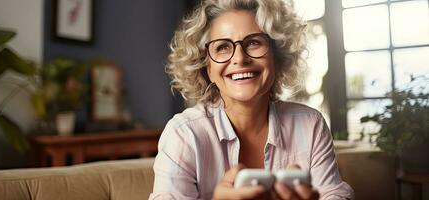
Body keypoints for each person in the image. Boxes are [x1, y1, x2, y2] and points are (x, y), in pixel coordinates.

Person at [150, 0, 354, 199]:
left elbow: (334, 194)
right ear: (208, 68)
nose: (239, 58)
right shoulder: (183, 134)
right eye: (222, 47)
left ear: (277, 56)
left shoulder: (310, 125)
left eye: (254, 42)